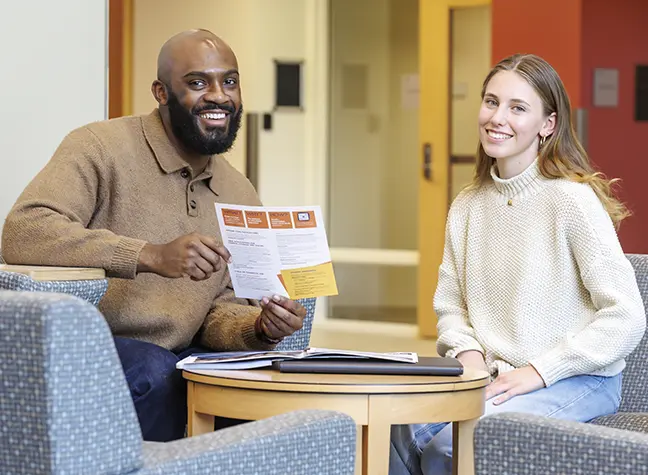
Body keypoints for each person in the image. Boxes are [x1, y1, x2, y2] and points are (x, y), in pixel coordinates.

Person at [1, 29, 307, 442]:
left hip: (177, 354)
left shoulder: (240, 191)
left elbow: (220, 310)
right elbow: (24, 229)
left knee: (256, 387)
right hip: (91, 347)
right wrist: (148, 255)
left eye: (229, 81)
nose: (219, 96)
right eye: (198, 82)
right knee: (156, 373)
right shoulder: (99, 147)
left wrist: (261, 327)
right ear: (161, 93)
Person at [389, 53, 646, 475]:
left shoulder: (571, 201)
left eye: (517, 108)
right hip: (494, 375)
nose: (497, 118)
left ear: (548, 124)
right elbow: (452, 307)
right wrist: (468, 352)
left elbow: (627, 317)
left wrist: (540, 371)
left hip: (579, 379)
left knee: (453, 448)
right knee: (395, 428)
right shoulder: (468, 204)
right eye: (491, 102)